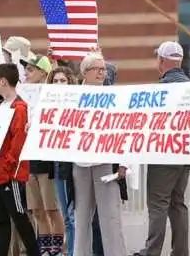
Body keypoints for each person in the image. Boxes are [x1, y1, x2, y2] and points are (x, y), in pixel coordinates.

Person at [135, 41, 190, 256]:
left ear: (162, 60)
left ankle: (152, 251)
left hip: (163, 156)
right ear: (181, 61)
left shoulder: (160, 90)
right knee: (178, 204)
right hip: (184, 156)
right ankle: (180, 252)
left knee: (158, 205)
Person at [72, 52, 127, 256]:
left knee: (111, 217)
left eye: (104, 69)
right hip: (80, 163)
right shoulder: (72, 97)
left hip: (106, 163)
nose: (103, 73)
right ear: (85, 72)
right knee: (82, 217)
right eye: (98, 69)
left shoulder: (115, 97)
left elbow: (126, 130)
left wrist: (124, 162)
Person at [0, 63, 39, 256]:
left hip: (10, 174)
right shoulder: (0, 106)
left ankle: (34, 252)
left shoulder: (19, 108)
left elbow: (18, 142)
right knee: (0, 219)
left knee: (19, 218)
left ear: (2, 81)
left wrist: (6, 165)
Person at [22, 55, 65, 256]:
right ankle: (45, 247)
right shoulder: (23, 94)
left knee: (52, 209)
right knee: (36, 209)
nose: (26, 73)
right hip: (29, 156)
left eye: (31, 70)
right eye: (26, 70)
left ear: (42, 73)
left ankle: (57, 248)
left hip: (46, 157)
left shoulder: (52, 95)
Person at [47, 67, 76, 256]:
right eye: (55, 81)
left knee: (73, 216)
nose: (58, 84)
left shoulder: (76, 105)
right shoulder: (47, 109)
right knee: (65, 215)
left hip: (73, 166)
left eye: (63, 80)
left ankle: (74, 252)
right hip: (57, 166)